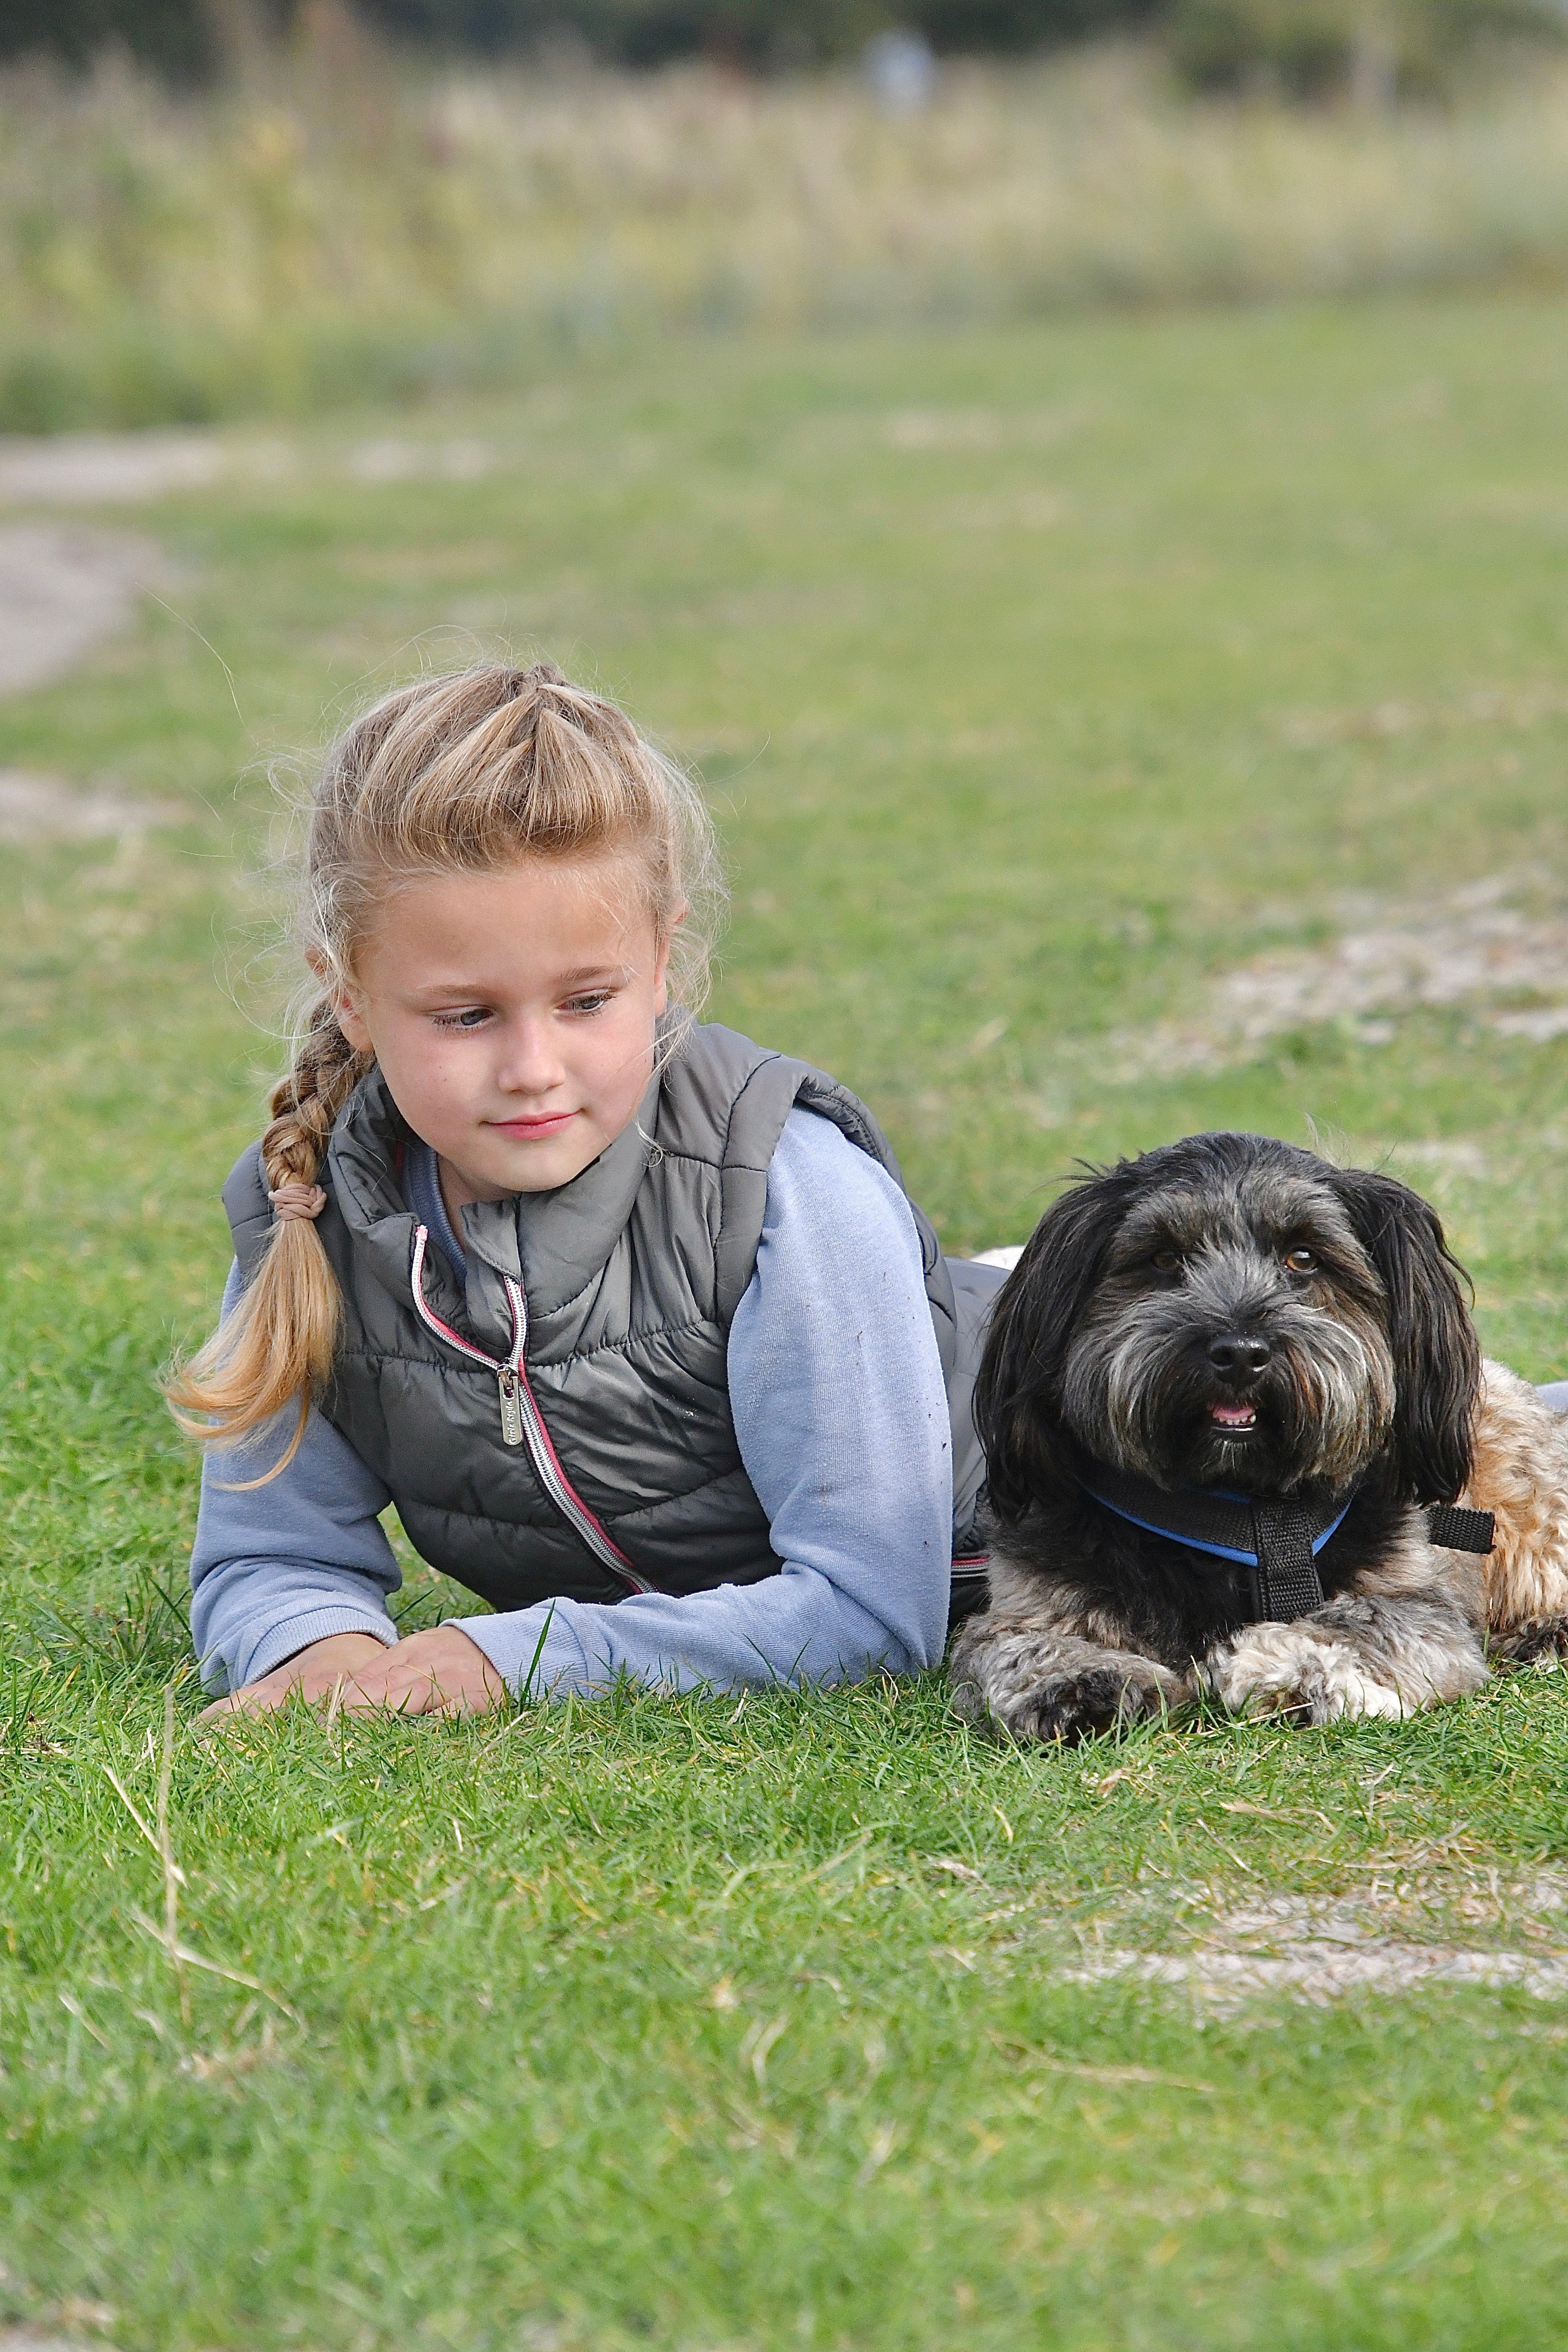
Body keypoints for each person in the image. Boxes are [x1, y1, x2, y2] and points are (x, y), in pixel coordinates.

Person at [174, 662, 1003, 1718]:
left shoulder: (790, 1193)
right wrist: (319, 1657)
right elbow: (270, 1560)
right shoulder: (307, 1213)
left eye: (586, 1001)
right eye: (466, 1015)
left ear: (661, 961)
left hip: (1033, 1507)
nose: (532, 1067)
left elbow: (866, 1611)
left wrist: (506, 1660)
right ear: (351, 996)